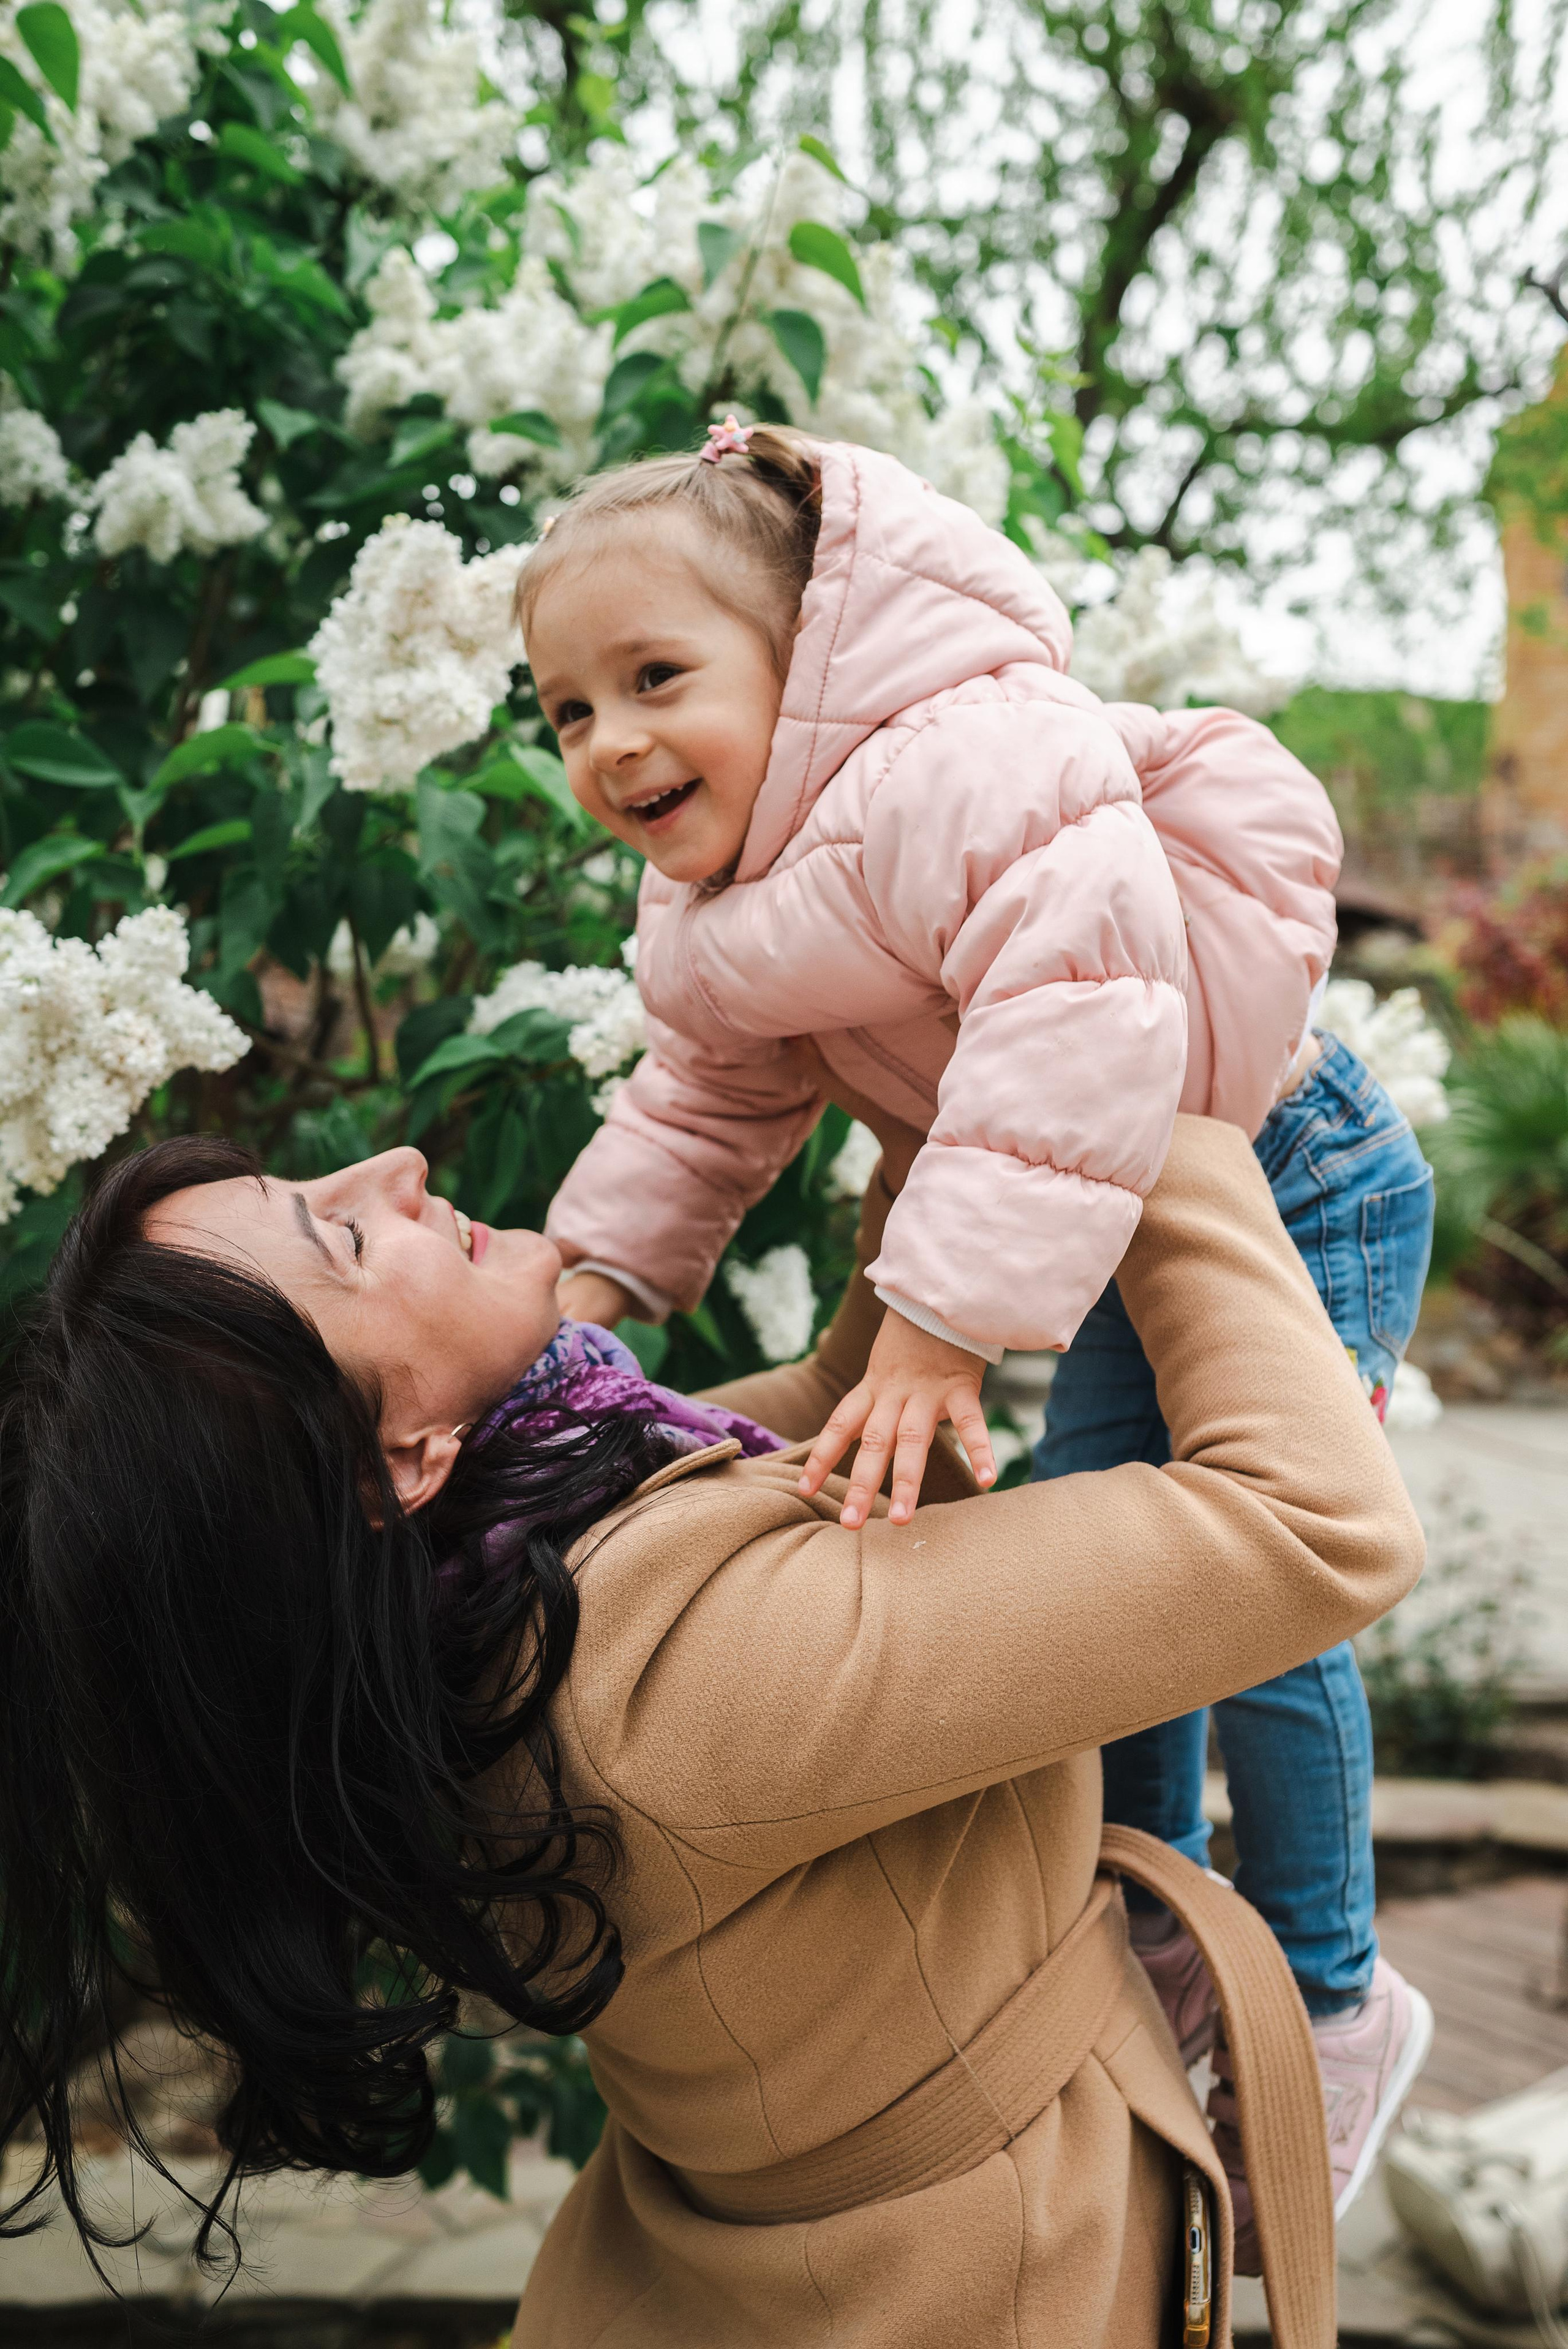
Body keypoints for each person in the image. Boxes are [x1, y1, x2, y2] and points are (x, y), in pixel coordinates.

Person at [0, 1111, 1423, 2347]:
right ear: (399, 1456)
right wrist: (1156, 1109)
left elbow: (828, 1422)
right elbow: (1316, 1524)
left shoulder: (491, 1570)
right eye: (346, 1241)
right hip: (967, 2288)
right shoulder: (675, 1683)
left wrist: (971, 1118)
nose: (398, 1167)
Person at [518, 422, 1436, 2229]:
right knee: (1123, 1585)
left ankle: (1334, 1994)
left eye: (656, 677)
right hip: (1108, 1215)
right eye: (562, 710)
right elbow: (699, 1110)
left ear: (806, 659)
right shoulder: (717, 904)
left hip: (1283, 1178)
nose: (611, 739)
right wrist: (584, 1292)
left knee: (1255, 1600)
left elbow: (1083, 999)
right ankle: (1172, 1931)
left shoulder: (965, 760)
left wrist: (938, 1321)